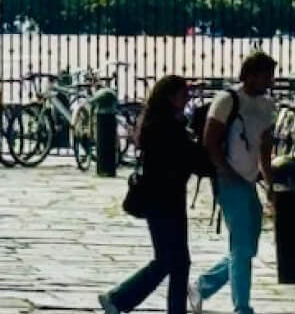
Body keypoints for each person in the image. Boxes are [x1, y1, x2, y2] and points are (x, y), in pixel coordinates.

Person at [100, 76, 214, 314]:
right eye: (184, 94)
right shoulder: (166, 127)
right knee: (170, 260)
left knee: (175, 261)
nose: (187, 99)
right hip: (163, 200)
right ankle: (119, 298)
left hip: (166, 198)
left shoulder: (162, 123)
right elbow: (190, 158)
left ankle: (127, 300)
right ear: (170, 97)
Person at [194, 52, 279, 314]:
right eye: (265, 75)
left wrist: (268, 182)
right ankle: (242, 307)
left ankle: (203, 285)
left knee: (246, 247)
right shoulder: (228, 100)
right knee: (242, 248)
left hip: (249, 180)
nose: (269, 81)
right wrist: (225, 171)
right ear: (250, 75)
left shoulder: (267, 106)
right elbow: (210, 139)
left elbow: (264, 148)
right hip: (230, 180)